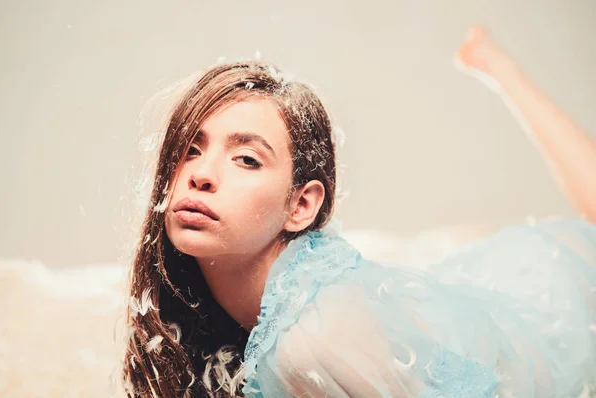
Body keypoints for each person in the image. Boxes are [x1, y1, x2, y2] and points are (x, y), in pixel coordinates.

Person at [121, 26, 596, 397]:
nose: (201, 174)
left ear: (302, 206)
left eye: (246, 158)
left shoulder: (314, 341)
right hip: (487, 288)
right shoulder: (214, 305)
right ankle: (495, 64)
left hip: (561, 309)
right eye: (191, 149)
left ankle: (498, 68)